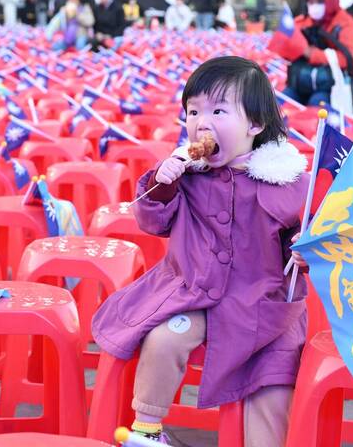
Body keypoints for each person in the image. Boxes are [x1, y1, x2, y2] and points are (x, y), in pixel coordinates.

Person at [92, 56, 308, 446]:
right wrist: (162, 182)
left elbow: (302, 235)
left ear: (255, 125)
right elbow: (151, 219)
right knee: (164, 337)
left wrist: (304, 252)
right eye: (193, 111)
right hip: (191, 291)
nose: (201, 122)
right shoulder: (188, 175)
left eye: (219, 110)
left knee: (275, 383)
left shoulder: (284, 182)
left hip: (263, 304)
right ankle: (147, 430)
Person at [282, 0, 353, 107]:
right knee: (279, 107)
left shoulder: (345, 22)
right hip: (299, 83)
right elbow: (287, 51)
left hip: (329, 87)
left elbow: (346, 58)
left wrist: (313, 54)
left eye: (318, 2)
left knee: (316, 109)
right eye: (310, 2)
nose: (314, 6)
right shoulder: (301, 21)